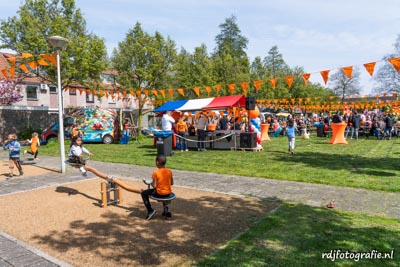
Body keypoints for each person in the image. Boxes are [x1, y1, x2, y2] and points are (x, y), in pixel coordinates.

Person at [140, 155, 174, 220]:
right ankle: (165, 209)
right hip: (168, 193)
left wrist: (150, 182)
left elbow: (154, 185)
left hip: (159, 194)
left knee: (143, 193)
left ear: (157, 162)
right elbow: (172, 183)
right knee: (164, 190)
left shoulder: (155, 172)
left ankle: (150, 210)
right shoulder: (169, 171)